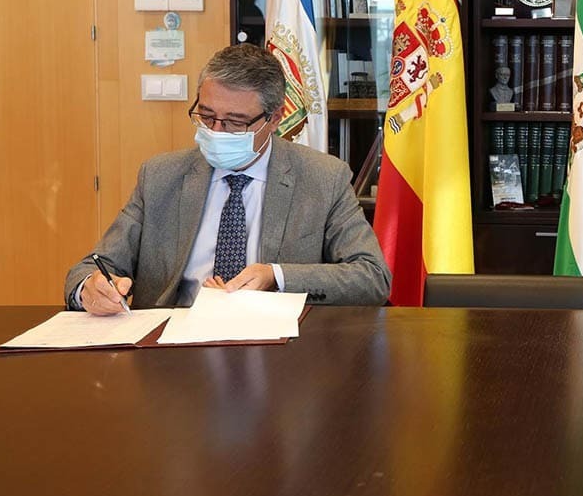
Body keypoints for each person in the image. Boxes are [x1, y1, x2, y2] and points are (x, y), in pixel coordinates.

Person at [66, 44, 391, 314]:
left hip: (276, 347)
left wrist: (276, 276)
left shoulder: (322, 178)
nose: (216, 131)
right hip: (172, 346)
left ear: (274, 118)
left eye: (235, 122)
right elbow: (90, 268)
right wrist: (90, 289)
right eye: (207, 116)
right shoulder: (160, 176)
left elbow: (372, 277)